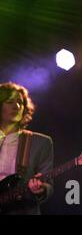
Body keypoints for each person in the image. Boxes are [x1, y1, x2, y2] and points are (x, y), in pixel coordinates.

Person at [0, 82, 54, 214]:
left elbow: (48, 184)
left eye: (20, 102)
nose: (16, 106)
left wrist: (41, 189)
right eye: (10, 101)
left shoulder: (41, 142)